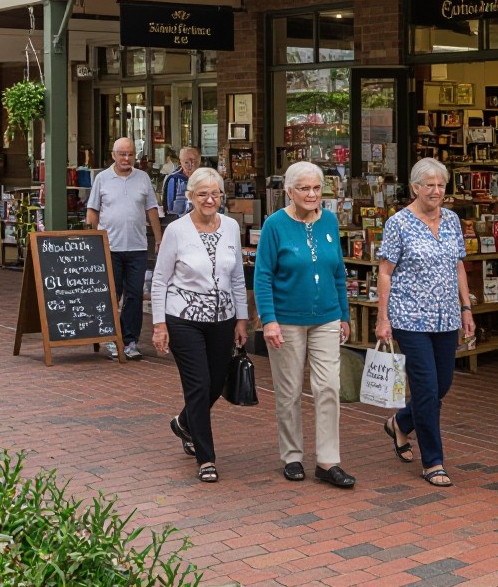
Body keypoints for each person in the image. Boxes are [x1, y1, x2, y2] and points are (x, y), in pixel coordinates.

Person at [254, 161, 355, 489]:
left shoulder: (329, 220)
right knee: (289, 390)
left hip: (326, 316)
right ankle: (292, 456)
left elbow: (338, 271)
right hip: (286, 320)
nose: (312, 195)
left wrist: (344, 314)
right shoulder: (274, 225)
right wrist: (269, 320)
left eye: (316, 188)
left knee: (328, 387)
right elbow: (263, 276)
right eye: (304, 189)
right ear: (289, 191)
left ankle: (328, 461)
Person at [375, 157, 475, 488]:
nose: (435, 191)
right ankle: (433, 461)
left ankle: (400, 423)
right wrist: (382, 317)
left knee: (442, 384)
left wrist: (466, 308)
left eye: (441, 185)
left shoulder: (452, 220)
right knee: (427, 388)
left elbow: (458, 265)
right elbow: (385, 272)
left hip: (447, 317)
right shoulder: (398, 224)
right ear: (415, 187)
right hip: (410, 317)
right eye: (429, 185)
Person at [151, 167, 247, 484]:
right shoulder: (177, 231)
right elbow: (160, 280)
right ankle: (206, 458)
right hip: (184, 318)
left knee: (216, 382)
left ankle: (183, 422)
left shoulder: (232, 226)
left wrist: (242, 318)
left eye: (215, 193)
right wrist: (159, 324)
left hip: (223, 318)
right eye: (202, 193)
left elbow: (236, 277)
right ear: (190, 196)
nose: (210, 199)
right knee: (198, 385)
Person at [86, 137, 162, 361]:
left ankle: (130, 341)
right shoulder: (102, 178)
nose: (126, 158)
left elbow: (151, 209)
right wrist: (91, 240)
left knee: (135, 296)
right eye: (122, 154)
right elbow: (92, 212)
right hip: (110, 247)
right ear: (113, 155)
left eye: (130, 154)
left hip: (137, 247)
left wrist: (159, 238)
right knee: (112, 294)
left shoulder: (143, 178)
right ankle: (111, 338)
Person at [164, 146, 200, 223]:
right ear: (180, 161)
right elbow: (169, 210)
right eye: (186, 162)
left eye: (193, 161)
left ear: (199, 160)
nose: (190, 165)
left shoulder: (207, 178)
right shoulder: (173, 179)